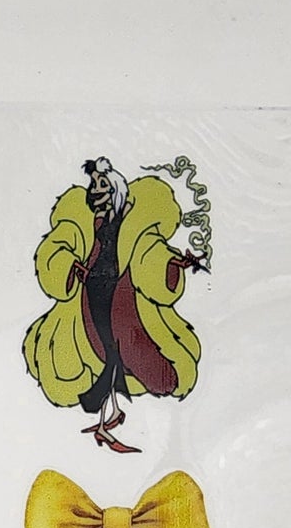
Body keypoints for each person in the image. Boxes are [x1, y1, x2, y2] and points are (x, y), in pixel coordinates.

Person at [21, 157, 205, 452]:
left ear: (115, 186)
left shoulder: (134, 217)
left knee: (120, 348)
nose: (96, 189)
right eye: (94, 184)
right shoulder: (84, 218)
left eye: (102, 184)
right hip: (91, 292)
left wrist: (171, 263)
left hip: (120, 294)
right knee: (105, 348)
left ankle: (106, 417)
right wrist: (70, 265)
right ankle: (108, 416)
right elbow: (60, 247)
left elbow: (150, 249)